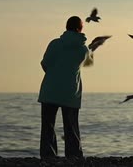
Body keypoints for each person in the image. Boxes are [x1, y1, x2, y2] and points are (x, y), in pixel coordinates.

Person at [38, 16, 88, 159]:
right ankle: (74, 156)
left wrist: (54, 75)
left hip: (50, 90)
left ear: (66, 27)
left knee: (48, 126)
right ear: (80, 29)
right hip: (71, 92)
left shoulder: (54, 44)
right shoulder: (83, 49)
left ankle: (49, 156)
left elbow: (45, 64)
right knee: (71, 126)